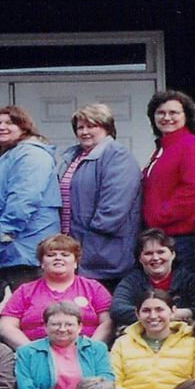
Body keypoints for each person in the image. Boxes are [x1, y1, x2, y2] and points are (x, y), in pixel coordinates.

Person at [55, 103, 141, 284]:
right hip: (74, 251)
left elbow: (113, 210)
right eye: (80, 127)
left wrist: (86, 247)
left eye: (92, 126)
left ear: (107, 128)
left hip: (103, 254)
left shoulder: (118, 156)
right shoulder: (72, 157)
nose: (85, 131)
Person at [14, 302, 114, 389]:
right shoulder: (27, 352)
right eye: (55, 324)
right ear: (45, 326)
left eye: (69, 324)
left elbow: (106, 381)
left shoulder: (97, 349)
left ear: (80, 327)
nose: (62, 329)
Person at [0, 105, 57, 280]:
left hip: (24, 248)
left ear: (24, 127)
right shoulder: (8, 155)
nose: (1, 127)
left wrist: (6, 231)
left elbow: (25, 196)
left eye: (10, 122)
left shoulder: (31, 154)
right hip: (11, 249)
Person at [140, 90, 195, 280]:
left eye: (174, 113)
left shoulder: (191, 144)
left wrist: (158, 216)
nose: (167, 118)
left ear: (186, 116)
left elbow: (194, 190)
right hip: (163, 236)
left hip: (182, 237)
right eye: (161, 113)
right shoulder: (162, 149)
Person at [0, 235, 113, 346]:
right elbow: (7, 327)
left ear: (76, 262)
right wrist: (31, 351)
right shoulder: (25, 291)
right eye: (51, 255)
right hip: (36, 357)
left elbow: (108, 322)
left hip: (86, 355)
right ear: (42, 263)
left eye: (65, 254)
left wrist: (92, 348)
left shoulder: (94, 288)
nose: (58, 258)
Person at [110, 230, 195, 332]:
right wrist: (165, 315)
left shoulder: (190, 280)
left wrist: (182, 313)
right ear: (140, 259)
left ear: (173, 254)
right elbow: (118, 310)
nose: (155, 258)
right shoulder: (131, 282)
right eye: (148, 253)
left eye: (161, 252)